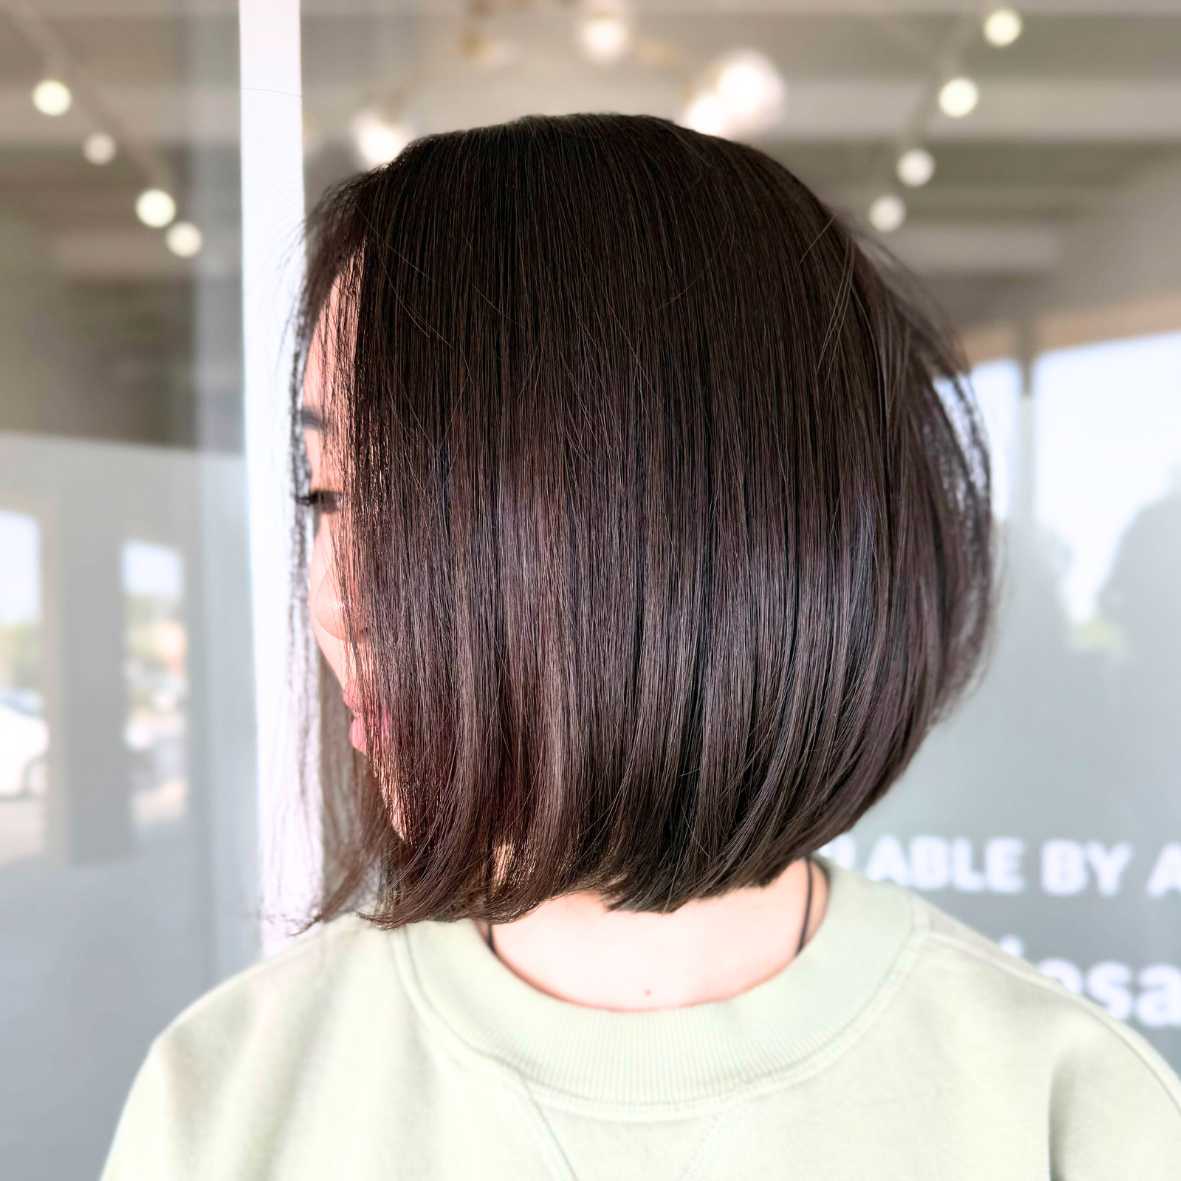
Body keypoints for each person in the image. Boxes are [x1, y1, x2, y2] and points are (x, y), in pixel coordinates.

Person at [101, 114, 1181, 1179]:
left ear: (710, 534)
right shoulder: (226, 1094)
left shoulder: (1067, 1114)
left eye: (431, 503)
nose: (338, 596)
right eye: (326, 493)